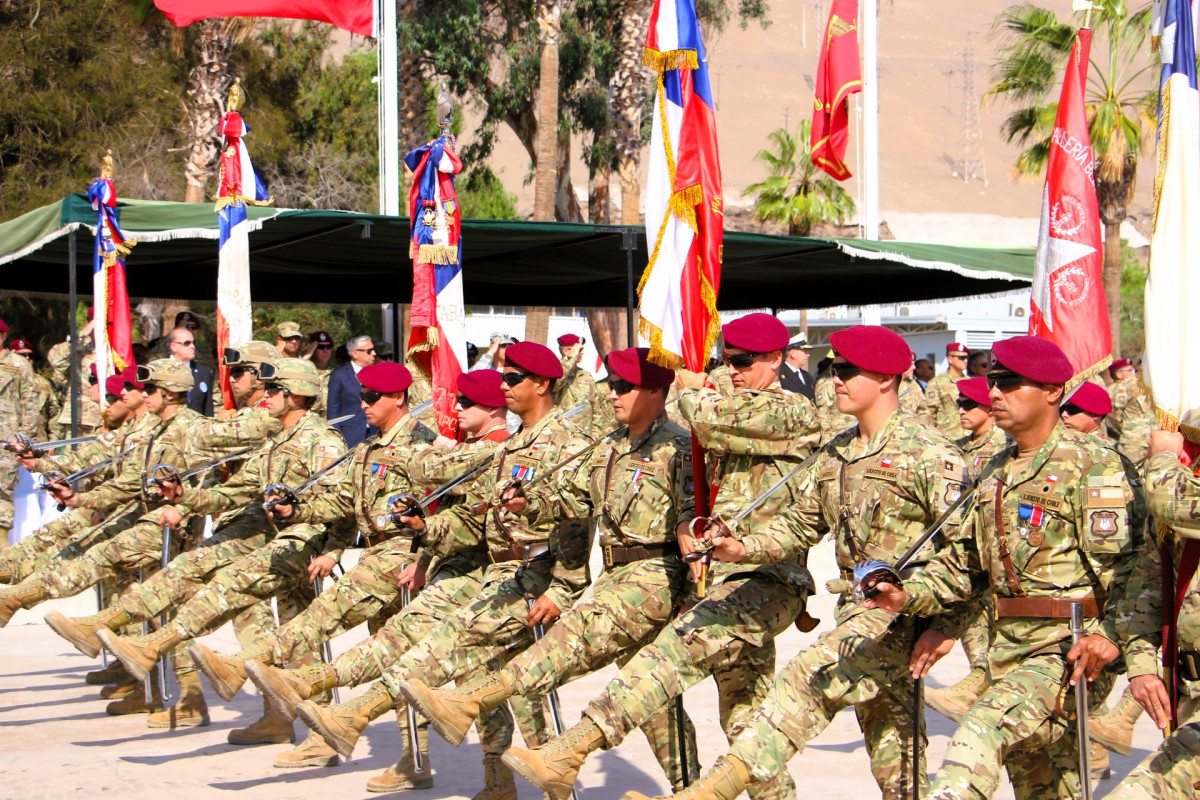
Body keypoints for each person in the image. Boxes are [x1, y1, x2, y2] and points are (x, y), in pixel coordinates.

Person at [500, 314, 821, 800]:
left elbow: (707, 420)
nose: (730, 370)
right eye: (724, 360)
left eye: (740, 361)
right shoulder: (716, 407)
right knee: (745, 720)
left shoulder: (791, 412)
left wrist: (684, 374)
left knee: (669, 663)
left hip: (766, 577)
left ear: (776, 359)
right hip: (720, 577)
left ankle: (570, 752)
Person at [291, 342, 595, 787]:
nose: (503, 386)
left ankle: (351, 710)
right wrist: (426, 532)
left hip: (535, 576)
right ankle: (499, 782)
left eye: (512, 379)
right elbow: (475, 522)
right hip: (498, 573)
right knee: (486, 679)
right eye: (503, 378)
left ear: (543, 385)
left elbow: (576, 523)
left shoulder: (567, 444)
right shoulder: (513, 445)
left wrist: (563, 587)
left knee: (503, 681)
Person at [400, 347, 700, 792]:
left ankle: (473, 703)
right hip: (615, 575)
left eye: (623, 387)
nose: (612, 395)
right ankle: (689, 787)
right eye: (610, 386)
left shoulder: (678, 448)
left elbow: (693, 523)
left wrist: (692, 595)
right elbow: (574, 502)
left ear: (656, 391)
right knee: (653, 699)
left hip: (657, 578)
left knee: (568, 647)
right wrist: (529, 503)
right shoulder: (610, 447)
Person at [865, 335, 1146, 800]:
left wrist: (1112, 638)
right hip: (1008, 648)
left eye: (1011, 382)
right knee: (1046, 788)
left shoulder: (1096, 466)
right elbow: (966, 565)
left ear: (1053, 391)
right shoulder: (996, 471)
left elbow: (1134, 570)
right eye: (993, 380)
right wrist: (905, 594)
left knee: (977, 736)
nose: (994, 393)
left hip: (1069, 652)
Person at [81, 358, 344, 733]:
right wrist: (184, 495)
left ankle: (318, 727)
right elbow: (232, 493)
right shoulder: (275, 442)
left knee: (297, 638)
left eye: (273, 390)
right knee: (284, 637)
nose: (265, 396)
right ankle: (280, 717)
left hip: (304, 546)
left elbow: (340, 505)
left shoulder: (323, 443)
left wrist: (333, 549)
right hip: (275, 543)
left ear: (295, 396)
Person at [1100, 427, 1200, 798]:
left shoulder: (1172, 482)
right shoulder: (1185, 475)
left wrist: (1162, 457)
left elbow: (1178, 506)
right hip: (1188, 690)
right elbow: (1148, 587)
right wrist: (1141, 666)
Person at [924, 376, 1010, 723]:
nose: (961, 410)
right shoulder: (956, 447)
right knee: (978, 635)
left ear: (989, 409)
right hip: (958, 556)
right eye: (959, 403)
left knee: (993, 642)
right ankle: (977, 695)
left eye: (969, 404)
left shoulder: (1002, 450)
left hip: (987, 559)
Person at [0, 321, 39, 547]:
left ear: (4, 335)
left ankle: (2, 548)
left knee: (2, 491)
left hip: (7, 440)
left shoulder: (18, 364)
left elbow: (30, 404)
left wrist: (23, 438)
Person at [327, 334, 376, 446]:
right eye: (369, 351)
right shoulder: (339, 375)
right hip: (350, 435)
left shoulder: (376, 374)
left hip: (374, 434)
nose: (374, 354)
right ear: (355, 353)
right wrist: (337, 437)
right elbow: (333, 410)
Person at [1106, 358, 1155, 465]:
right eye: (1130, 370)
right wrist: (1126, 431)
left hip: (1155, 441)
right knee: (1132, 478)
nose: (1134, 372)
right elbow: (1115, 415)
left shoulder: (1151, 384)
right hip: (1133, 444)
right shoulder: (1124, 386)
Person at [923, 342, 970, 436]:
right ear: (950, 359)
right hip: (947, 437)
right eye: (961, 358)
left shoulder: (970, 382)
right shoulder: (936, 383)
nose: (965, 361)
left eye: (967, 358)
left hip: (969, 437)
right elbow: (929, 414)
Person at [167, 326, 213, 417]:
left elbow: (208, 408)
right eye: (187, 343)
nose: (192, 346)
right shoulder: (160, 371)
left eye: (193, 343)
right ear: (173, 346)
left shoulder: (203, 372)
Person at [303, 330, 335, 415]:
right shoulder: (307, 370)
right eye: (320, 347)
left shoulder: (337, 371)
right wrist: (307, 355)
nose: (325, 350)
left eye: (328, 346)